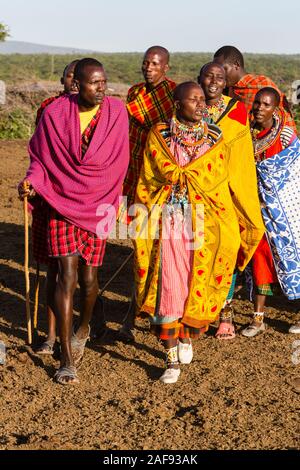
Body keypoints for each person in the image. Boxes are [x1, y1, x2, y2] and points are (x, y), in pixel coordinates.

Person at [132, 82, 264, 383]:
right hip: (168, 220)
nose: (200, 104)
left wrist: (192, 181)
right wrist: (177, 179)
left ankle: (187, 336)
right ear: (177, 103)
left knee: (196, 281)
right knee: (169, 284)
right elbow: (150, 176)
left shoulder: (216, 136)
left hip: (205, 220)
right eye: (193, 100)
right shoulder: (159, 133)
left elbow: (218, 178)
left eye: (202, 100)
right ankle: (170, 359)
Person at [19, 58, 129, 384]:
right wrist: (31, 181)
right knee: (65, 276)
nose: (101, 88)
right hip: (60, 203)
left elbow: (119, 163)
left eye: (104, 81)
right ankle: (67, 359)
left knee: (90, 282)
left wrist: (113, 198)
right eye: (94, 83)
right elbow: (40, 158)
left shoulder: (116, 114)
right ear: (77, 85)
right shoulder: (55, 114)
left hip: (98, 207)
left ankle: (84, 326)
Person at [198, 62, 264, 339]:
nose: (213, 81)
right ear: (199, 79)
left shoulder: (236, 110)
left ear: (226, 82)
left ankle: (225, 314)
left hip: (225, 192)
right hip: (195, 192)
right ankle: (197, 312)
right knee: (195, 251)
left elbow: (240, 158)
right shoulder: (189, 103)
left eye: (219, 78)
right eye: (208, 76)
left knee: (227, 248)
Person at [118, 46, 176, 342]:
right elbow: (129, 132)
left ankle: (158, 312)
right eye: (145, 63)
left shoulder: (176, 95)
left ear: (166, 67)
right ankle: (132, 314)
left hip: (162, 183)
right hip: (134, 179)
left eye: (155, 63)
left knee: (163, 252)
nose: (148, 67)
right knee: (139, 250)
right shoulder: (134, 93)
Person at [241, 87, 299, 337]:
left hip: (286, 210)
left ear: (276, 109)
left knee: (293, 256)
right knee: (260, 258)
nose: (259, 108)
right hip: (256, 208)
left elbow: (294, 171)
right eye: (257, 103)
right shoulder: (246, 135)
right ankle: (258, 318)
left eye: (266, 105)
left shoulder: (285, 136)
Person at [33, 59, 79, 355]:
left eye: (80, 76)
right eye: (70, 76)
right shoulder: (49, 107)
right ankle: (51, 336)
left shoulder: (100, 114)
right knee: (55, 270)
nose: (74, 81)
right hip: (52, 196)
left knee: (84, 277)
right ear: (62, 79)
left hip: (85, 200)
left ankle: (83, 328)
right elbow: (38, 150)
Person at [213, 45, 297, 133]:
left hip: (278, 140)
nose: (220, 75)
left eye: (223, 69)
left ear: (236, 65)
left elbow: (283, 122)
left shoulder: (261, 85)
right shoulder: (229, 90)